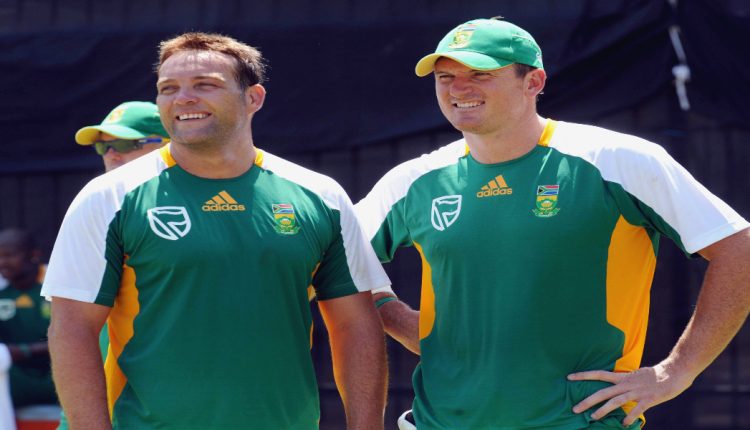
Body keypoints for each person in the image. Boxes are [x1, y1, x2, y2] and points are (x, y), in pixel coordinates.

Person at [355, 18, 750, 430]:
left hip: (580, 422)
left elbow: (738, 247)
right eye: (445, 77)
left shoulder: (615, 160)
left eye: (480, 74)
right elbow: (335, 256)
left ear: (534, 82)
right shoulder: (414, 180)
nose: (458, 89)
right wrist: (392, 312)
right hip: (441, 422)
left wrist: (675, 372)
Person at [43, 32, 389, 429]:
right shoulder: (108, 197)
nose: (183, 98)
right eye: (168, 88)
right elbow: (71, 328)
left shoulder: (321, 196)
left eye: (204, 85)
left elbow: (354, 324)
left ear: (253, 98)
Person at [56, 101, 169, 430]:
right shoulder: (97, 207)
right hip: (100, 411)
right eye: (103, 146)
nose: (112, 154)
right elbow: (69, 329)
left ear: (169, 142)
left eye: (126, 143)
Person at [0, 229, 57, 430]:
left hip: (57, 372)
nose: (2, 262)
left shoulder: (57, 285)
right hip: (14, 376)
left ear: (34, 255)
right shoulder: (2, 291)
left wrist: (24, 351)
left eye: (9, 255)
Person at [74, 101, 170, 172]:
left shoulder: (178, 190)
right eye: (102, 146)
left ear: (167, 145)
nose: (110, 156)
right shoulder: (98, 191)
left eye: (124, 144)